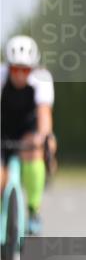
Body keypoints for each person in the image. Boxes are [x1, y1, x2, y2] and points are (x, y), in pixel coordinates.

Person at [0, 36, 56, 235]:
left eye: (25, 70)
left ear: (33, 69)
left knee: (41, 147)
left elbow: (44, 114)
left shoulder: (42, 79)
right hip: (3, 130)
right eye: (16, 69)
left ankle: (33, 210)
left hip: (27, 131)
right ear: (8, 67)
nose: (20, 75)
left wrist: (43, 138)